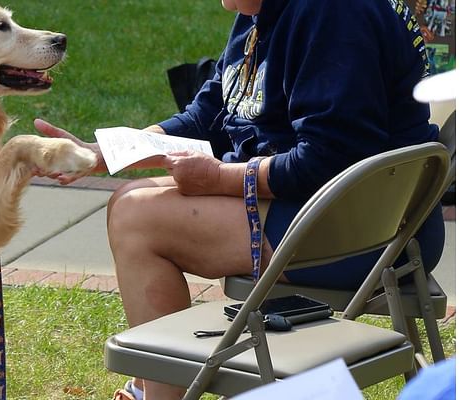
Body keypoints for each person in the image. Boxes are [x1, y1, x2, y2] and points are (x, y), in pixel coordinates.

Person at [35, 0, 445, 398]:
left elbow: (326, 159)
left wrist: (218, 178)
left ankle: (158, 392)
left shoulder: (333, 13)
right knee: (130, 203)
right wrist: (113, 151)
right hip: (350, 214)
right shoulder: (263, 10)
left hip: (368, 233)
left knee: (136, 218)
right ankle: (155, 387)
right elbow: (211, 112)